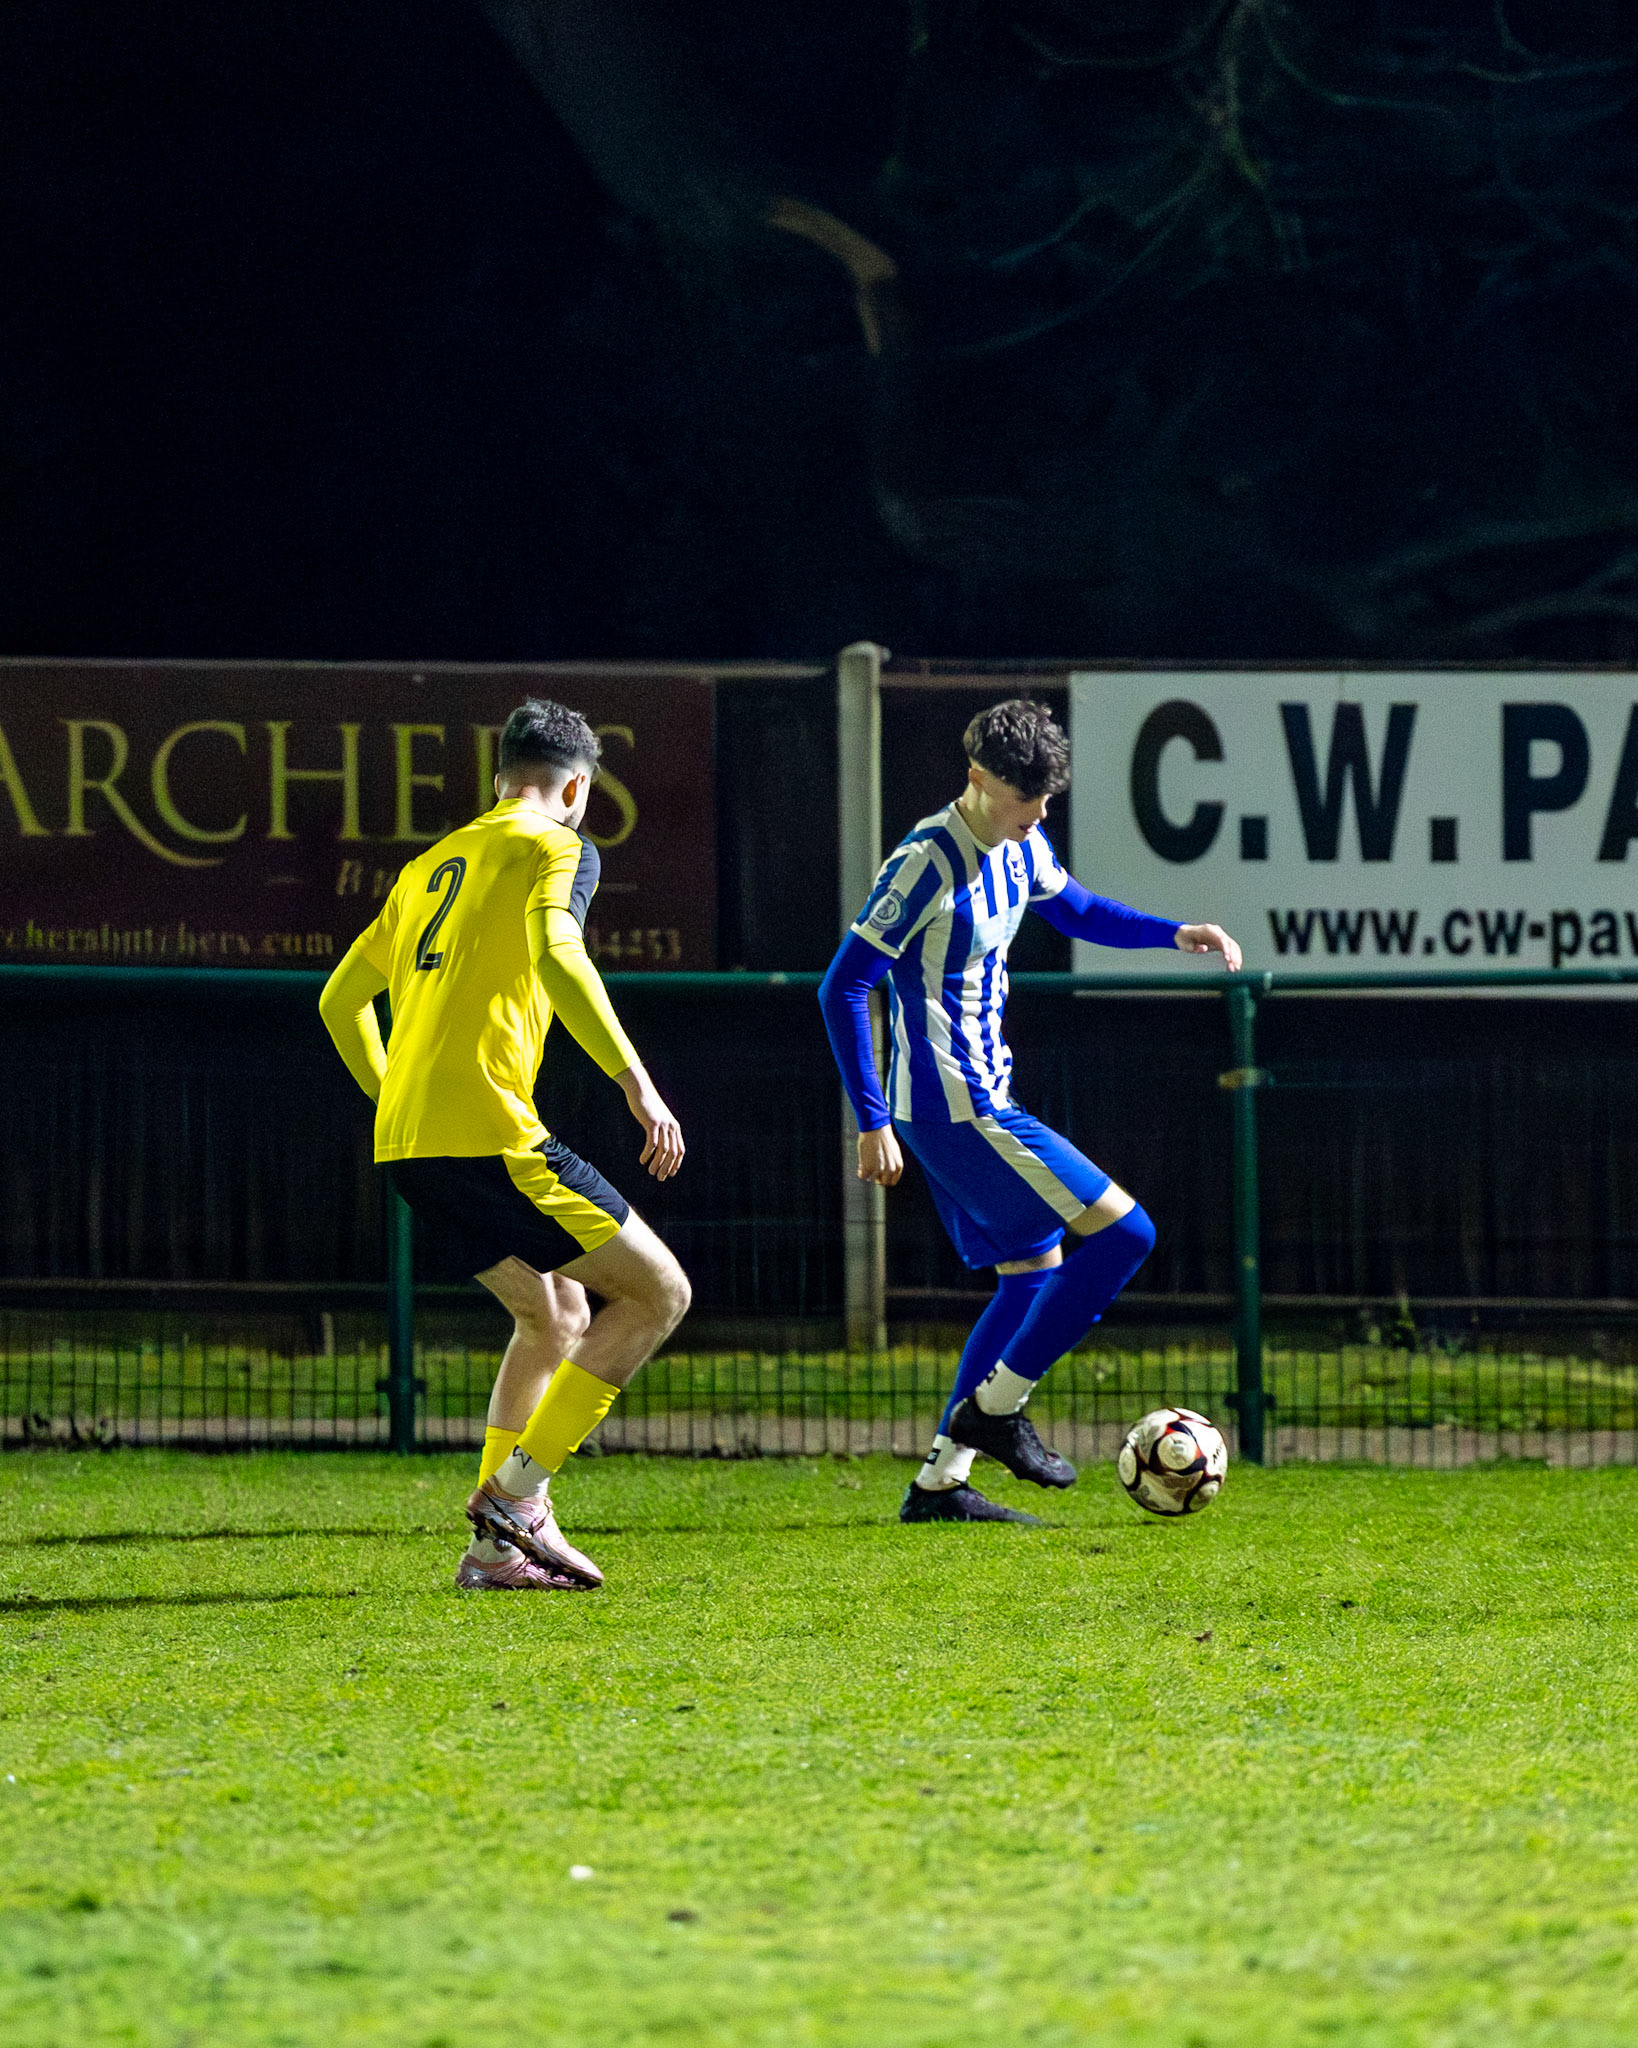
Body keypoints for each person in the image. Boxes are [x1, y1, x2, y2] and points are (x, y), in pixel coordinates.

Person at [818, 698, 1241, 1524]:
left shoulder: (1021, 845)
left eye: (1048, 799)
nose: (1040, 814)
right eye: (1027, 798)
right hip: (955, 1105)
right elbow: (843, 986)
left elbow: (1077, 910)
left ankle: (941, 1485)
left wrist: (1174, 933)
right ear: (978, 779)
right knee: (1126, 1234)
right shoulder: (925, 862)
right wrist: (869, 1119)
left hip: (979, 1099)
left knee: (1029, 1276)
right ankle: (996, 1410)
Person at [319, 697, 690, 1590]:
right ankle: (518, 1498)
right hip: (487, 1133)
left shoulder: (427, 865)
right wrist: (638, 1085)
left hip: (406, 1143)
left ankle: (495, 1553)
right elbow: (560, 954)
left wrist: (395, 1094)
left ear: (497, 780)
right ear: (578, 788)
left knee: (554, 1315)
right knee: (658, 1293)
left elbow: (340, 999)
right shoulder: (559, 845)